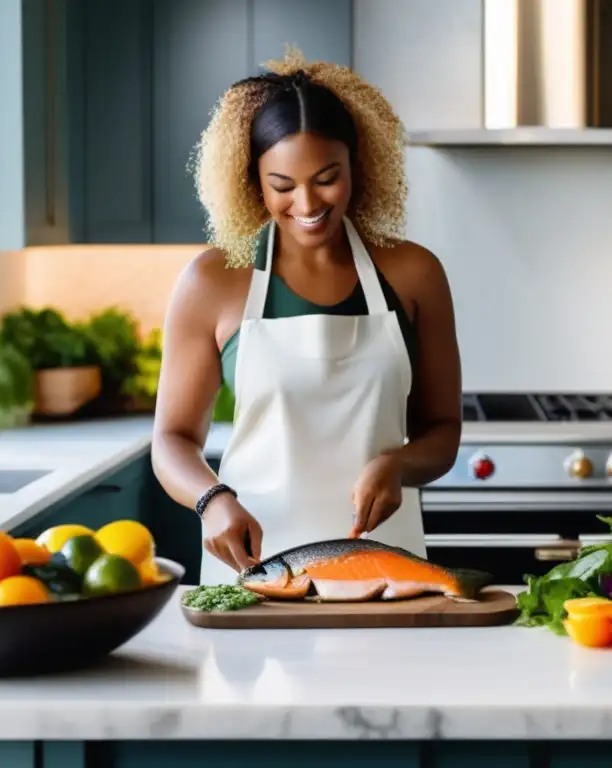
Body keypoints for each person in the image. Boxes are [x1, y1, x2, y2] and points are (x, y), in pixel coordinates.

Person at [151, 49, 462, 586]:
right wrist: (211, 499)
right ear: (253, 181)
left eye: (326, 178)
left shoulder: (415, 275)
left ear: (358, 166)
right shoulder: (211, 282)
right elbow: (172, 439)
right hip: (254, 570)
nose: (307, 202)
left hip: (387, 568)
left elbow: (443, 429)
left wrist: (400, 466)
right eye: (283, 185)